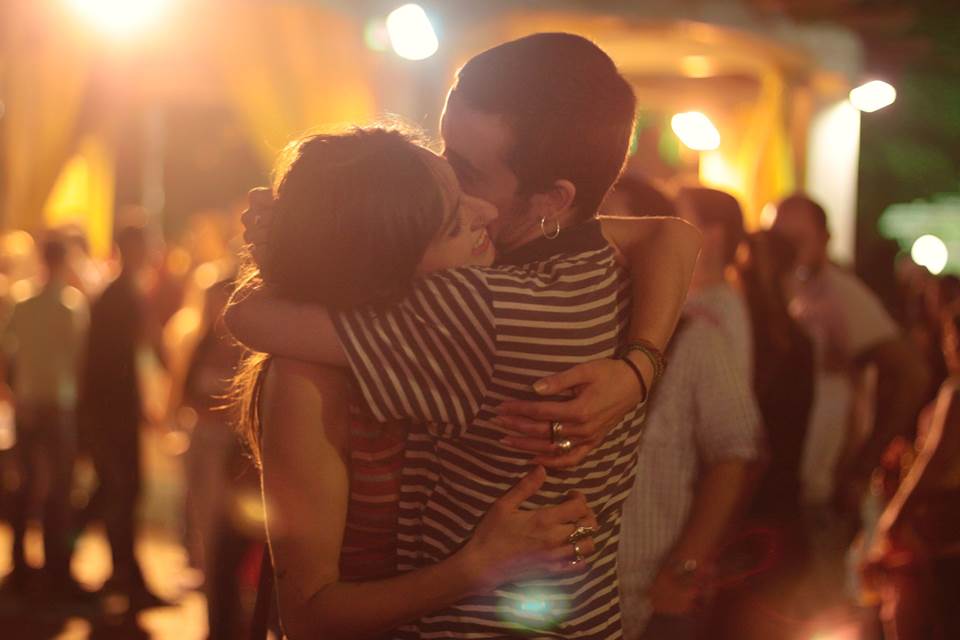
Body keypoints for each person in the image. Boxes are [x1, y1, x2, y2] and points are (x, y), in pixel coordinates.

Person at [229, 33, 701, 638]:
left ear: (552, 200)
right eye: (445, 151)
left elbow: (246, 317)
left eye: (467, 172)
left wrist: (286, 250)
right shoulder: (605, 267)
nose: (450, 189)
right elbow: (674, 234)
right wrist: (640, 368)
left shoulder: (479, 305)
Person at [615, 183, 761, 640]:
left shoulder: (698, 330)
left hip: (648, 594)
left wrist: (686, 565)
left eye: (611, 225)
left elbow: (734, 450)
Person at [770, 194, 931, 511]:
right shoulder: (784, 292)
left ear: (825, 239)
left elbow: (913, 374)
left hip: (823, 490)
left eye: (797, 240)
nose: (784, 252)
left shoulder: (842, 294)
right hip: (786, 486)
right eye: (777, 241)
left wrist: (862, 464)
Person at [78, 224, 168, 610]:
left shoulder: (118, 294)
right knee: (120, 492)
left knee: (119, 492)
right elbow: (112, 364)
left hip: (112, 413)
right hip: (110, 415)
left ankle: (123, 574)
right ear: (132, 248)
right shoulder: (120, 296)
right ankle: (112, 573)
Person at [0, 235, 88, 599]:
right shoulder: (71, 305)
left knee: (25, 484)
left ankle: (20, 563)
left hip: (29, 404)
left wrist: (13, 393)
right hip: (58, 407)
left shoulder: (22, 303)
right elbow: (80, 361)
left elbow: (7, 354)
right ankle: (56, 566)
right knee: (59, 489)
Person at [674, 187, 753, 382]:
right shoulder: (690, 295)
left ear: (713, 234)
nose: (670, 230)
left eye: (681, 219)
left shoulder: (721, 307)